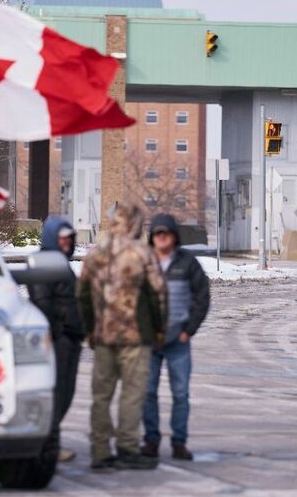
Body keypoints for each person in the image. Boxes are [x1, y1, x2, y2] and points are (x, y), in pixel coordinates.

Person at [78, 202, 167, 471]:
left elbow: (82, 294)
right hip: (135, 336)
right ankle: (128, 448)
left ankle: (101, 451)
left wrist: (89, 329)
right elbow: (157, 295)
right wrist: (159, 328)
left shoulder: (95, 254)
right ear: (136, 224)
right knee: (132, 394)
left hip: (103, 335)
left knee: (101, 395)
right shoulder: (142, 253)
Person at [141, 214, 210, 461]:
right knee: (147, 393)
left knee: (180, 394)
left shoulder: (187, 263)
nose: (162, 238)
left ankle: (179, 443)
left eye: (166, 233)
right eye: (157, 234)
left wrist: (188, 330)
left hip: (178, 340)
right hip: (148, 341)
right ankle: (150, 440)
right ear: (152, 237)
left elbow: (202, 297)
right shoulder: (142, 263)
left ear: (174, 236)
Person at [27, 217, 85, 463]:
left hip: (70, 338)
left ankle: (51, 441)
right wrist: (59, 329)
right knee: (56, 393)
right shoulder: (44, 263)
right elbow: (43, 302)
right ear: (51, 238)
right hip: (58, 340)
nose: (66, 243)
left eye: (69, 238)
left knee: (66, 392)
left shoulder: (60, 264)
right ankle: (48, 445)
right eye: (62, 238)